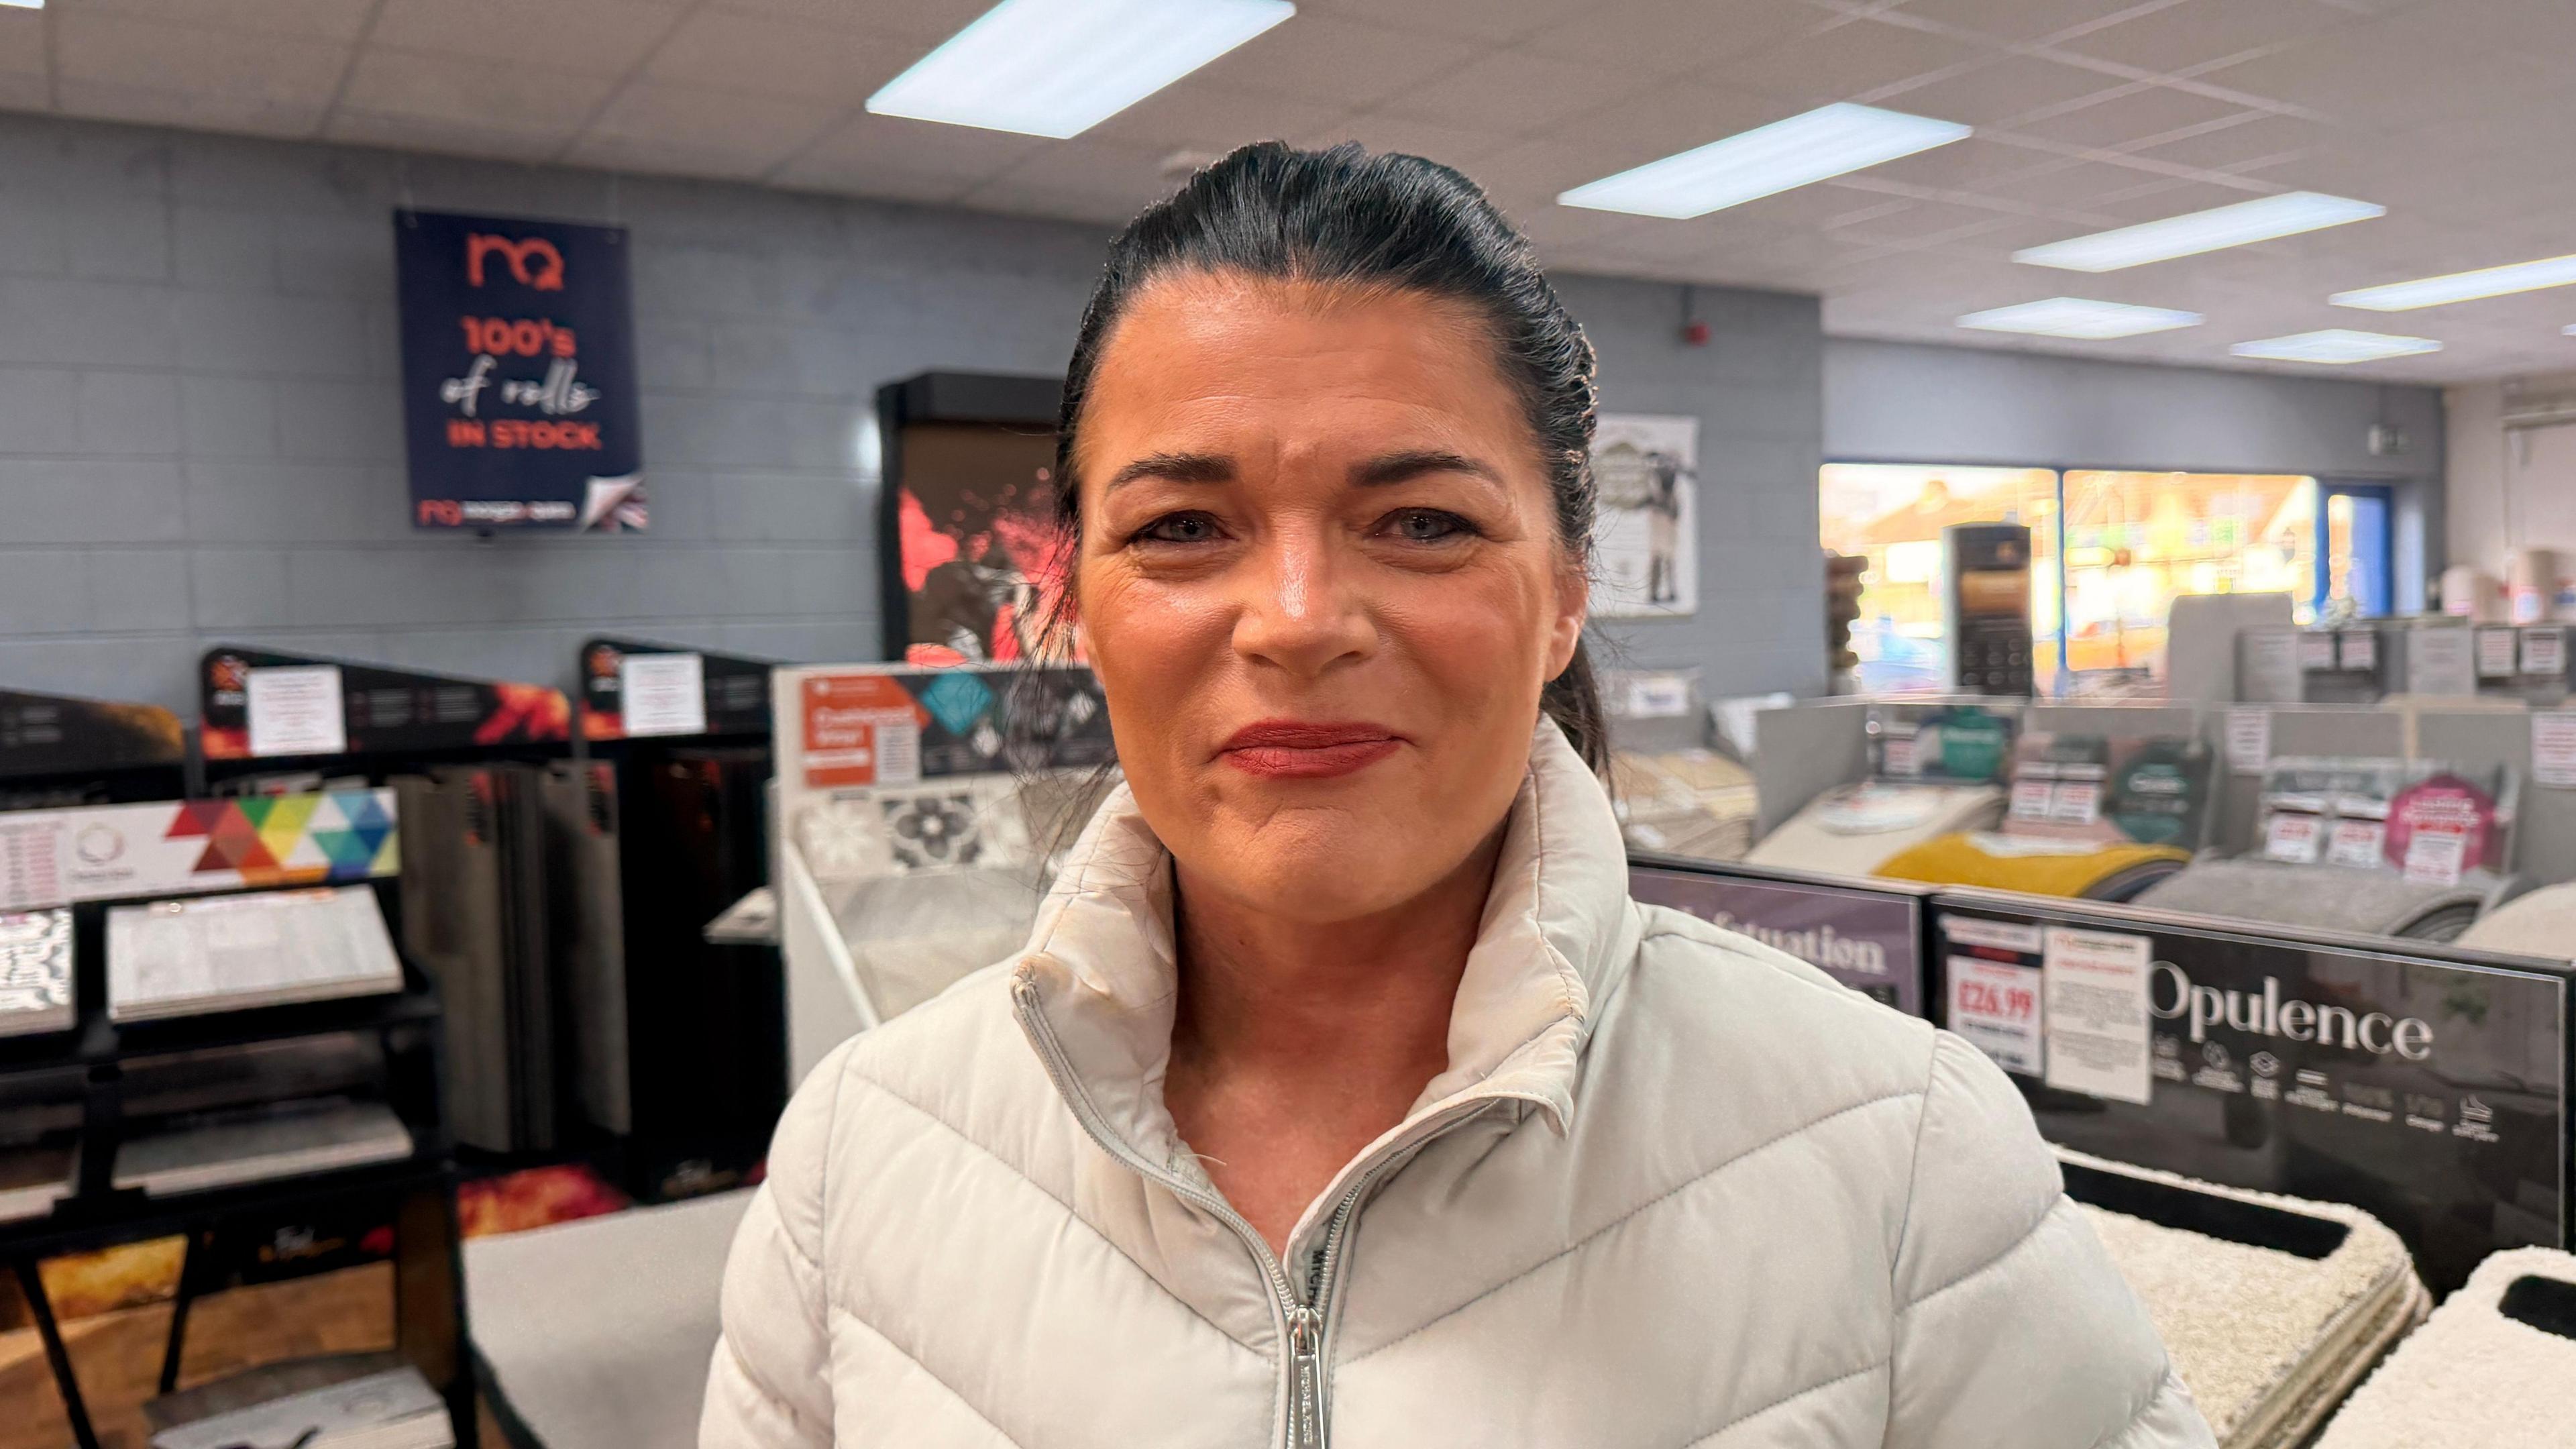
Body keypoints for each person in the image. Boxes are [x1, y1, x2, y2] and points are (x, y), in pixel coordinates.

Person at [702, 142, 2212, 1448]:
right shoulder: (865, 1155)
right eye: (1182, 526)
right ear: (1080, 602)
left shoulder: (1900, 1157)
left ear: (1562, 596)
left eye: (1421, 519)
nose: (1297, 617)